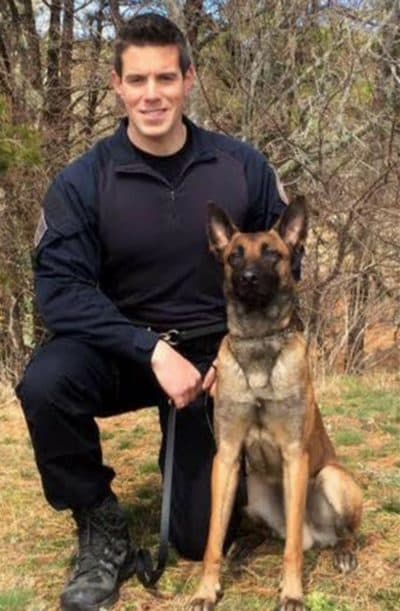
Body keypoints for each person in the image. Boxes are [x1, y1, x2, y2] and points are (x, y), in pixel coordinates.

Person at [16, 12, 291, 611]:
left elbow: (285, 270)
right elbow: (58, 292)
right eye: (137, 80)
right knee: (45, 382)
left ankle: (236, 474)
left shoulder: (242, 167)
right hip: (122, 349)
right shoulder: (83, 181)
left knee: (196, 540)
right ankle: (98, 521)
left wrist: (236, 356)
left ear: (189, 79)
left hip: (215, 361)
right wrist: (147, 348)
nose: (152, 94)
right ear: (116, 84)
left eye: (165, 78)